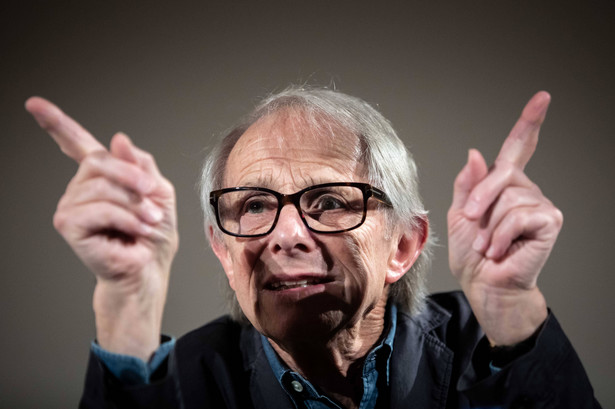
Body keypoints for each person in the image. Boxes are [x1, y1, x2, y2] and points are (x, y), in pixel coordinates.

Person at [26, 87, 600, 408]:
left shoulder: (495, 346)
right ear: (225, 254)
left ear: (404, 244)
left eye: (329, 200)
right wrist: (128, 302)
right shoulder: (180, 384)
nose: (288, 233)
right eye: (252, 205)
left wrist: (513, 308)